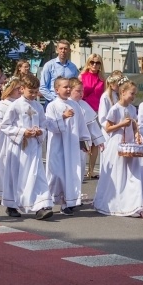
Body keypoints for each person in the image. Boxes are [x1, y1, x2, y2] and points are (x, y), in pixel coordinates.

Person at [0, 74, 54, 219]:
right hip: (19, 148)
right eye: (31, 92)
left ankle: (41, 206)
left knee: (37, 176)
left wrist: (39, 131)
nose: (34, 95)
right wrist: (23, 132)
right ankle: (11, 205)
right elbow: (5, 126)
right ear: (22, 89)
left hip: (34, 147)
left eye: (36, 92)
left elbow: (43, 124)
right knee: (16, 176)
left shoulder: (38, 106)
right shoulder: (15, 106)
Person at [94, 79, 143, 217]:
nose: (134, 96)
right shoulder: (115, 109)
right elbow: (108, 128)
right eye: (132, 93)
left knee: (132, 175)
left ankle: (133, 205)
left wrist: (137, 135)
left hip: (129, 144)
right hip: (117, 143)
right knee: (118, 174)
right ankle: (114, 203)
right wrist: (121, 124)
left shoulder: (132, 109)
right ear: (123, 92)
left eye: (135, 94)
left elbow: (134, 126)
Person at [45, 76, 89, 216]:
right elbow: (50, 125)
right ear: (56, 90)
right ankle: (47, 202)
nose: (68, 89)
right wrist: (62, 117)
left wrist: (83, 140)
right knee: (56, 174)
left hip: (71, 145)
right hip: (57, 145)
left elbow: (81, 124)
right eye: (65, 87)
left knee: (70, 173)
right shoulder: (52, 106)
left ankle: (66, 203)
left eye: (70, 86)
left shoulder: (75, 105)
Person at [0, 76, 21, 201]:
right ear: (10, 89)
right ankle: (0, 188)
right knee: (3, 163)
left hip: (18, 137)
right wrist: (0, 127)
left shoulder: (21, 103)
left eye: (21, 88)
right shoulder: (2, 104)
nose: (20, 91)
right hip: (6, 138)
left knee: (16, 165)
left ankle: (12, 191)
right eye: (17, 88)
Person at [69, 77, 106, 183]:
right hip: (68, 141)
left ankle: (77, 190)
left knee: (80, 165)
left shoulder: (84, 105)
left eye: (82, 91)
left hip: (81, 143)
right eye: (78, 91)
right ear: (70, 90)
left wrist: (99, 140)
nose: (81, 93)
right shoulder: (65, 104)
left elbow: (92, 125)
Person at [79, 53, 105, 179]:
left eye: (97, 62)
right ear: (88, 63)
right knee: (84, 139)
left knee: (96, 141)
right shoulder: (82, 76)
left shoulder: (103, 79)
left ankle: (91, 170)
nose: (94, 65)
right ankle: (81, 167)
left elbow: (104, 96)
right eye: (92, 62)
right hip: (84, 110)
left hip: (97, 111)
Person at [39, 40, 79, 106]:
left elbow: (75, 85)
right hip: (52, 102)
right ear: (57, 50)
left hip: (69, 102)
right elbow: (43, 87)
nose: (63, 51)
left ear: (69, 50)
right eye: (61, 48)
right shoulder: (49, 65)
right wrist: (55, 100)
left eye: (65, 49)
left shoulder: (73, 67)